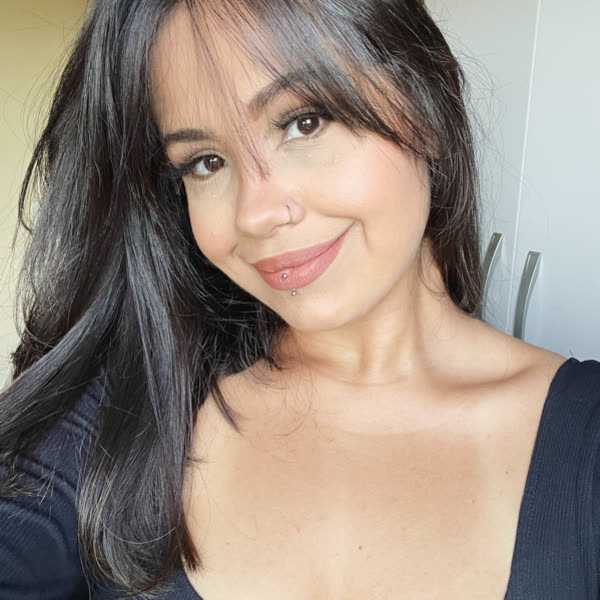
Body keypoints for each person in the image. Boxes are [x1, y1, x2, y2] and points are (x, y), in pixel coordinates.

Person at [1, 0, 599, 598]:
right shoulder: (122, 410)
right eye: (207, 162)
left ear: (425, 108)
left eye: (304, 123)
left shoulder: (585, 442)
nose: (255, 214)